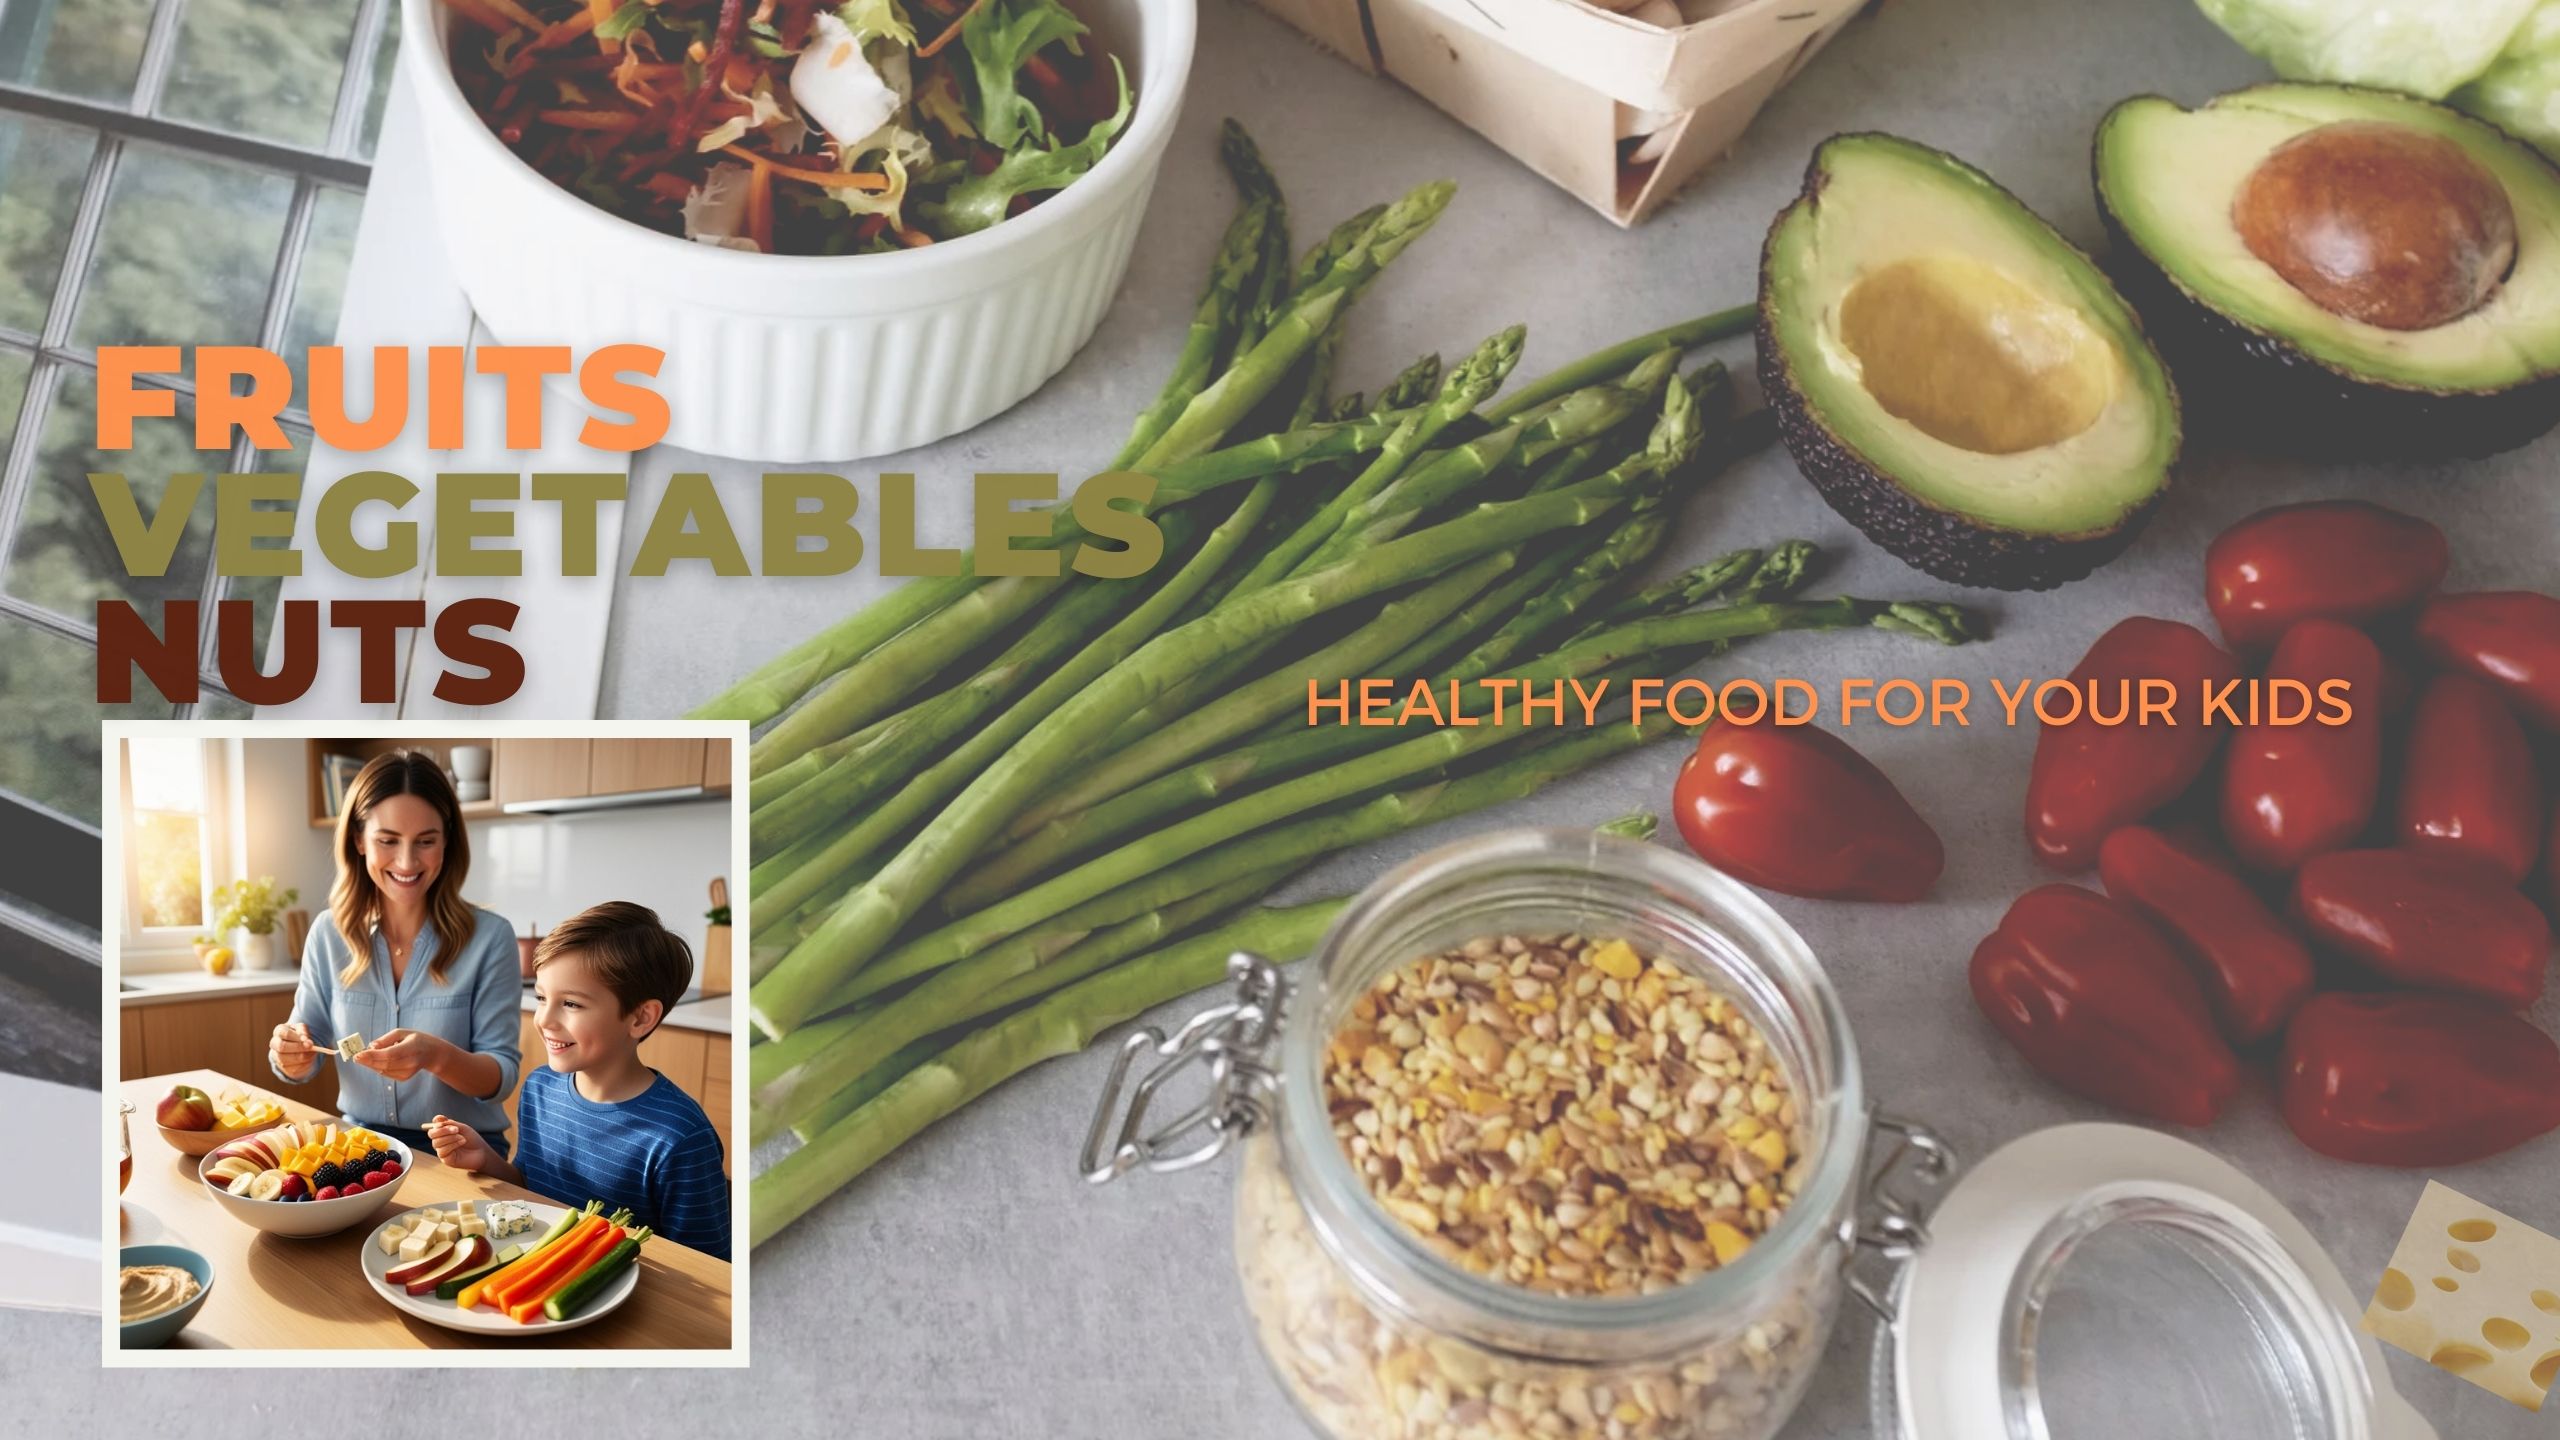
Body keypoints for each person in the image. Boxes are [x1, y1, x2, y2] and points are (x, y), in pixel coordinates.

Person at [428, 902, 730, 1255]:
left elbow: (711, 1269)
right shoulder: (539, 1089)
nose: (544, 1019)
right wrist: (485, 1159)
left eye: (571, 1004)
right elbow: (531, 1189)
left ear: (641, 1018)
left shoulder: (679, 1137)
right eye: (542, 997)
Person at [268, 750, 523, 1159]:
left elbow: (501, 1078)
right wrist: (290, 1055)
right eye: (388, 841)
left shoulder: (490, 939)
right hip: (360, 1144)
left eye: (426, 841)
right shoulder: (327, 934)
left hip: (463, 1150)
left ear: (448, 841)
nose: (407, 862)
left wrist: (436, 1056)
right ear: (358, 839)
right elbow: (305, 1046)